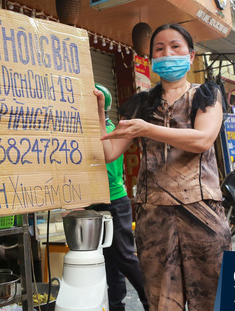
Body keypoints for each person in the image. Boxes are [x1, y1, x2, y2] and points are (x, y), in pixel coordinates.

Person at [94, 23, 231, 311]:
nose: (167, 53)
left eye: (175, 46)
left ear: (191, 55)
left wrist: (147, 129)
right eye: (159, 49)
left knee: (211, 297)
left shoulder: (207, 95)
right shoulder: (141, 104)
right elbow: (109, 152)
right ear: (152, 59)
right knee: (161, 302)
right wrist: (98, 112)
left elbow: (203, 139)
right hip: (153, 217)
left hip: (202, 212)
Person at [92, 83, 149, 311]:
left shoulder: (110, 130)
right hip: (99, 202)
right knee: (110, 261)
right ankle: (116, 306)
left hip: (114, 202)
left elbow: (108, 167)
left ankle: (151, 301)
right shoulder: (94, 129)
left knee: (124, 256)